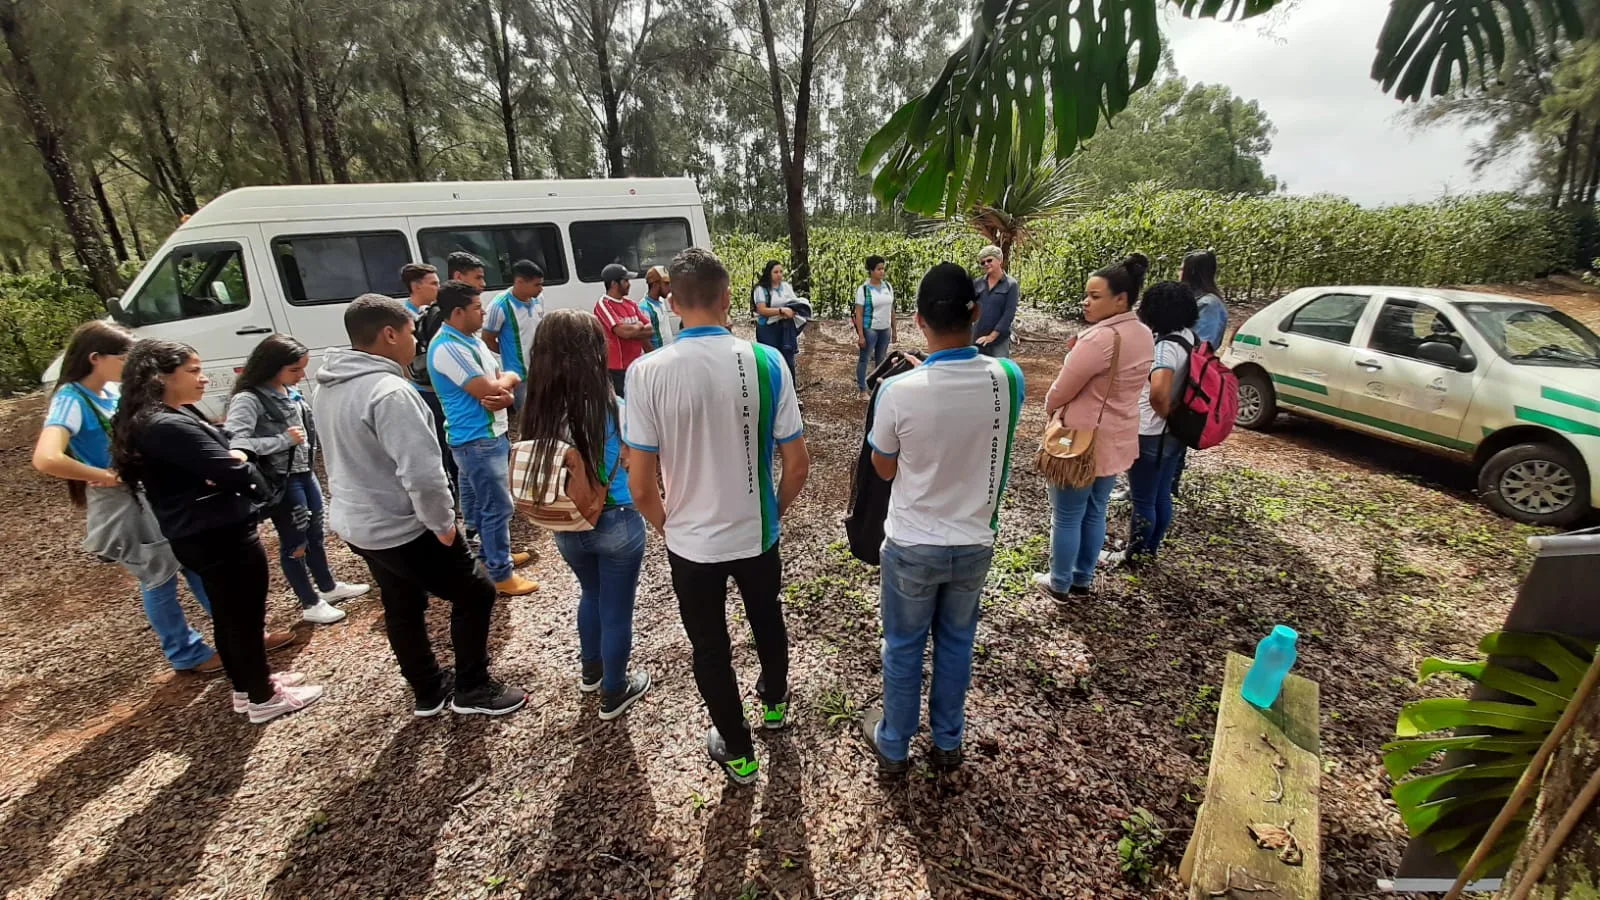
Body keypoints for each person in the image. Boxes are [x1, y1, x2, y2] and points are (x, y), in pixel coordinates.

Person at [625, 247, 809, 786]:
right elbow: (797, 464)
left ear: (672, 303)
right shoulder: (767, 362)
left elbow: (640, 485)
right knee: (767, 618)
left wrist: (669, 526)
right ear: (729, 297)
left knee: (709, 647)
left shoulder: (645, 372)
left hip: (691, 545)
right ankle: (774, 705)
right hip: (757, 533)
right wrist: (773, 512)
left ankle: (739, 750)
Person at [314, 294, 527, 716]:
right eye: (411, 332)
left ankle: (428, 690)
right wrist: (443, 524)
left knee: (402, 604)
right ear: (389, 334)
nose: (416, 341)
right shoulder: (390, 392)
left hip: (358, 522)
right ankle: (472, 688)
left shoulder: (328, 385)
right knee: (477, 592)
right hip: (400, 524)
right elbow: (423, 473)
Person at [858, 263, 1025, 778]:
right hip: (974, 541)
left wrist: (917, 375)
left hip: (913, 543)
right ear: (975, 313)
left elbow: (884, 468)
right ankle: (948, 741)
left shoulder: (899, 391)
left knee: (904, 647)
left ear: (918, 320)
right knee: (956, 643)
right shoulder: (1009, 378)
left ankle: (894, 745)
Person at [111, 339, 319, 724]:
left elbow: (222, 454)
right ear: (159, 377)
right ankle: (263, 698)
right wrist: (239, 462)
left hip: (204, 530)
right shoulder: (165, 425)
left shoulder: (164, 416)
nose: (204, 378)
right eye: (192, 371)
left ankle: (248, 685)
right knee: (243, 616)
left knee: (229, 614)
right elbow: (234, 470)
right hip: (218, 533)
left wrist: (230, 457)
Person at [31, 322, 221, 674]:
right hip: (126, 502)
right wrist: (106, 476)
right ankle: (187, 653)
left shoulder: (111, 391)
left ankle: (237, 634)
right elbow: (46, 458)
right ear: (96, 358)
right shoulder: (71, 398)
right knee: (158, 576)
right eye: (125, 359)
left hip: (149, 492)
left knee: (196, 562)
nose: (132, 367)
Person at [518, 310, 650, 720]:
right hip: (617, 520)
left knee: (590, 594)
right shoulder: (613, 407)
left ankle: (591, 672)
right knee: (617, 609)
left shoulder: (538, 412)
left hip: (566, 521)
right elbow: (637, 461)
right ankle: (615, 690)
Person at [1031, 254, 1155, 601]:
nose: (1086, 301)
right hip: (1115, 439)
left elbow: (1061, 391)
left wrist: (1051, 410)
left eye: (1095, 296)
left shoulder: (1100, 339)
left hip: (1079, 441)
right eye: (1087, 295)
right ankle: (1082, 579)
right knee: (1096, 509)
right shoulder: (1144, 334)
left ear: (1121, 299)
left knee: (1067, 514)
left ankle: (1059, 582)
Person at [225, 335, 369, 626]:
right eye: (294, 369)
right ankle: (309, 602)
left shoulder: (290, 391)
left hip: (304, 473)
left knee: (316, 532)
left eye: (303, 368)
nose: (301, 375)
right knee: (295, 539)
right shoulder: (249, 399)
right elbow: (236, 441)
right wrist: (282, 440)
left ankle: (327, 587)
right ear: (271, 366)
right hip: (281, 479)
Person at [427, 280, 538, 596]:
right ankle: (501, 573)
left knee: (480, 507)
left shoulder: (469, 340)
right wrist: (506, 384)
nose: (484, 313)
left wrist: (507, 385)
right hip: (477, 440)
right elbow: (488, 388)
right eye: (477, 308)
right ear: (457, 312)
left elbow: (505, 376)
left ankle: (490, 557)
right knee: (497, 507)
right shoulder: (448, 347)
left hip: (485, 437)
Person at [1126, 281, 1201, 563]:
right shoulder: (1189, 337)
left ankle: (1135, 555)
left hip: (1152, 431)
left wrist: (1167, 412)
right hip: (1174, 432)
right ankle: (1151, 550)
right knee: (1161, 494)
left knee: (1143, 499)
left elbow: (1158, 392)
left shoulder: (1165, 347)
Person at [401, 262, 457, 496]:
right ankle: (444, 489)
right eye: (433, 283)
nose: (438, 287)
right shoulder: (402, 317)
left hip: (440, 390)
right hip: (421, 390)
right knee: (434, 443)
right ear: (416, 286)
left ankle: (455, 487)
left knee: (449, 441)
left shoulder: (436, 312)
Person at [482, 259, 545, 414]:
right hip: (519, 376)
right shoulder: (499, 306)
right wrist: (508, 353)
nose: (541, 289)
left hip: (542, 370)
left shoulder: (538, 299)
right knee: (527, 416)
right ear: (519, 282)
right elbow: (487, 338)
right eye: (536, 285)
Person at [594, 263, 653, 397]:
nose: (629, 284)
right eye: (625, 281)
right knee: (623, 404)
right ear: (614, 284)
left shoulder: (630, 304)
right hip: (617, 370)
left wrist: (632, 331)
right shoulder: (604, 305)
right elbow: (622, 332)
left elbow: (650, 330)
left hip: (636, 364)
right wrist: (638, 326)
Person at [853, 255, 896, 399]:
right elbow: (859, 314)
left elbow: (891, 309)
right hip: (870, 329)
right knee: (864, 358)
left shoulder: (888, 287)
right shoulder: (864, 289)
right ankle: (862, 390)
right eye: (878, 269)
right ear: (871, 271)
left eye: (883, 269)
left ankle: (878, 388)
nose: (882, 272)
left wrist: (894, 330)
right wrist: (861, 335)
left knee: (882, 359)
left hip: (885, 328)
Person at [751, 259, 801, 377]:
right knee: (771, 362)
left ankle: (791, 387)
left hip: (785, 329)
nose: (779, 275)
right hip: (768, 330)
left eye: (781, 272)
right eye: (775, 272)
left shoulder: (786, 287)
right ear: (769, 273)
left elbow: (794, 303)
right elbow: (762, 310)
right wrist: (781, 311)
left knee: (788, 362)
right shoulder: (761, 289)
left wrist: (795, 310)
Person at [972, 245, 1020, 358]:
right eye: (983, 262)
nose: (986, 264)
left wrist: (991, 337)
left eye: (989, 260)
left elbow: (1009, 314)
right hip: (977, 339)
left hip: (999, 341)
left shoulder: (1011, 284)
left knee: (1000, 368)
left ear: (1000, 260)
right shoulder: (977, 283)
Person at [1182, 250, 1228, 350]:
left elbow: (1203, 345)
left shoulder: (1209, 305)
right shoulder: (1192, 299)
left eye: (1182, 269)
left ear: (1191, 272)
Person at [640, 265, 677, 349]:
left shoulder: (661, 301)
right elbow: (644, 340)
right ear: (655, 284)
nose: (670, 287)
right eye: (666, 283)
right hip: (658, 354)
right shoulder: (644, 307)